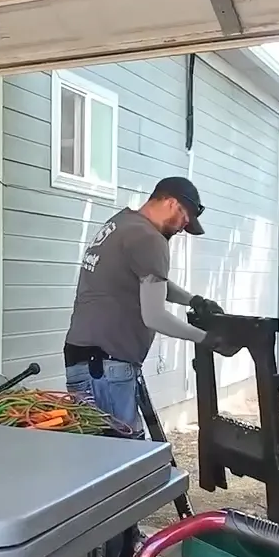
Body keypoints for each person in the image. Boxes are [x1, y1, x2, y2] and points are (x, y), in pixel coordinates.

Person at [63, 176, 239, 433]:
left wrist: (194, 300)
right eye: (185, 216)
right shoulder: (149, 238)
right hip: (105, 367)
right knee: (121, 457)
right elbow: (155, 317)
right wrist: (209, 340)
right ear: (170, 202)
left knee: (97, 453)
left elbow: (149, 283)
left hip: (86, 362)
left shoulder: (121, 224)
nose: (184, 226)